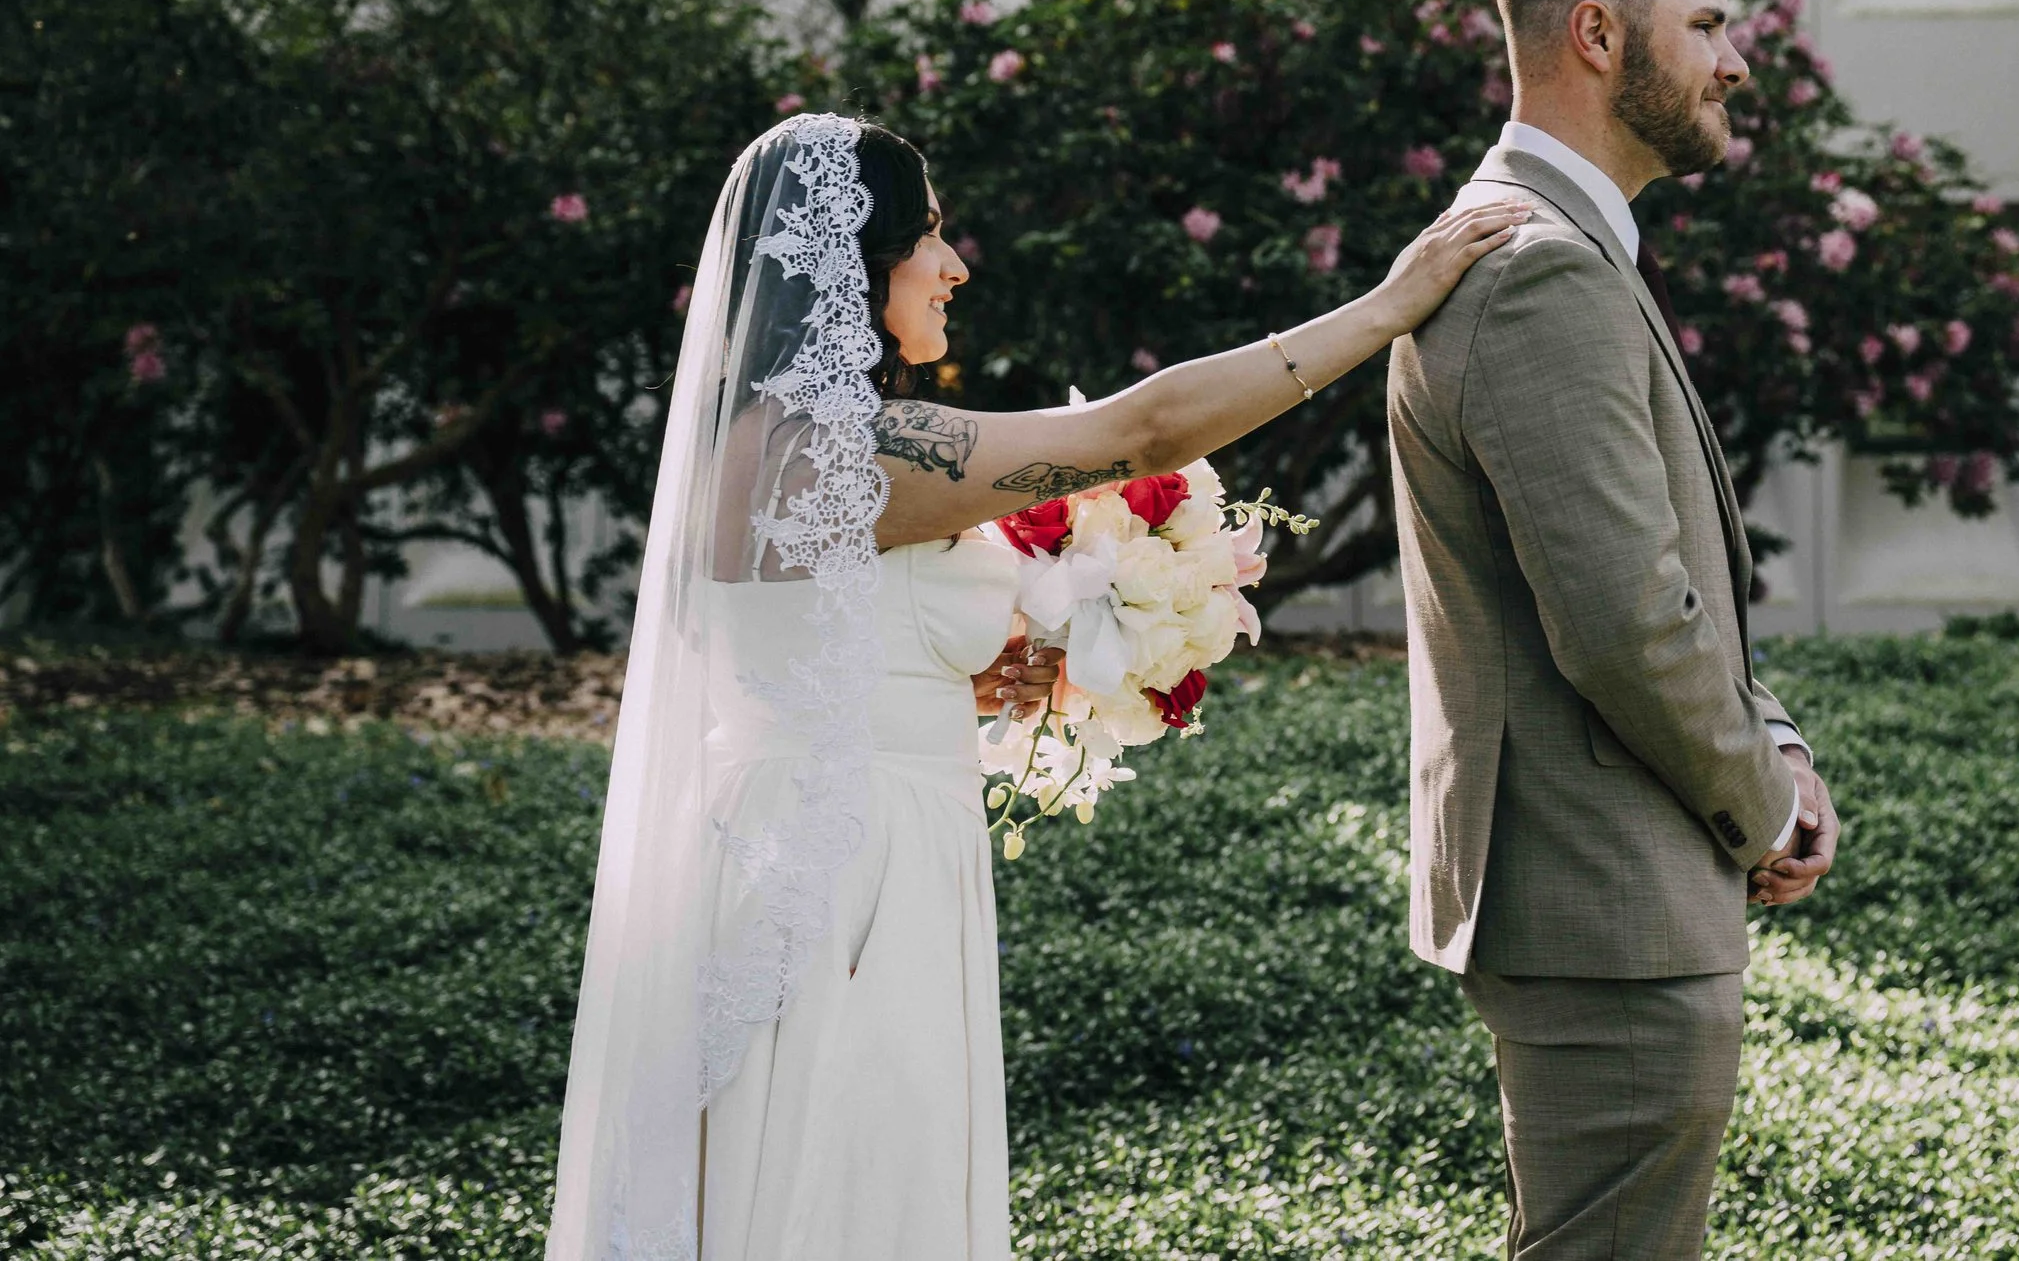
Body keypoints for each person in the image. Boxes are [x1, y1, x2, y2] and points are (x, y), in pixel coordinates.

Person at [547, 110, 1529, 1261]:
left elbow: (817, 660)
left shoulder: (764, 443)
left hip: (812, 838)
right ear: (854, 255)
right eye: (928, 234)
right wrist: (1386, 306)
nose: (954, 265)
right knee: (847, 1196)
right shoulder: (848, 447)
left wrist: (991, 667)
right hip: (851, 871)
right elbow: (1146, 428)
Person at [1387, 0, 1842, 1261]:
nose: (1734, 59)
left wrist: (1771, 734)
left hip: (1607, 898)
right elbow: (1622, 617)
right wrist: (1764, 805)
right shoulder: (1537, 269)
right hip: (1606, 909)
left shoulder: (1544, 243)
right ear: (1598, 32)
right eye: (1705, 24)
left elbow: (1643, 578)